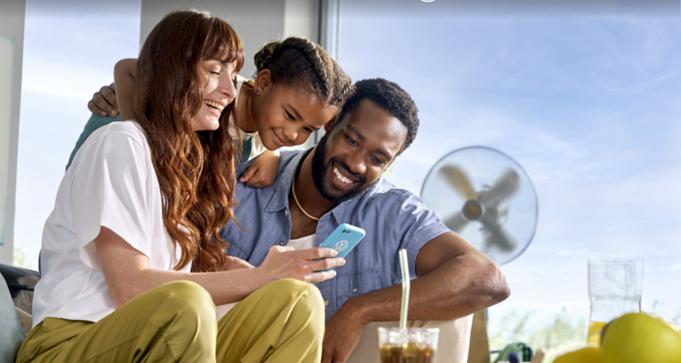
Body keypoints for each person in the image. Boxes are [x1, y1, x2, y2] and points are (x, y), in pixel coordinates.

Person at [20, 10, 345, 363]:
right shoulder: (121, 142)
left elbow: (168, 271)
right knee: (186, 304)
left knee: (297, 302)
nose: (228, 90)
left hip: (158, 331)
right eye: (214, 71)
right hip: (73, 339)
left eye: (233, 75)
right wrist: (260, 278)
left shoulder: (196, 166)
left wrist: (229, 269)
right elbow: (132, 287)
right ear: (174, 68)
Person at [219, 78, 512, 363]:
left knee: (451, 313)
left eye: (377, 158)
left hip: (333, 355)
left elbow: (488, 279)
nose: (356, 163)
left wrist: (358, 311)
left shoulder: (394, 212)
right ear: (330, 123)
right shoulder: (246, 177)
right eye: (351, 140)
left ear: (390, 164)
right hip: (235, 348)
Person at [74, 36, 355, 188]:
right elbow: (128, 67)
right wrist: (141, 136)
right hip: (95, 184)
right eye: (291, 115)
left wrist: (273, 153)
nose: (294, 134)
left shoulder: (257, 142)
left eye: (308, 129)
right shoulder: (211, 89)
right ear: (264, 82)